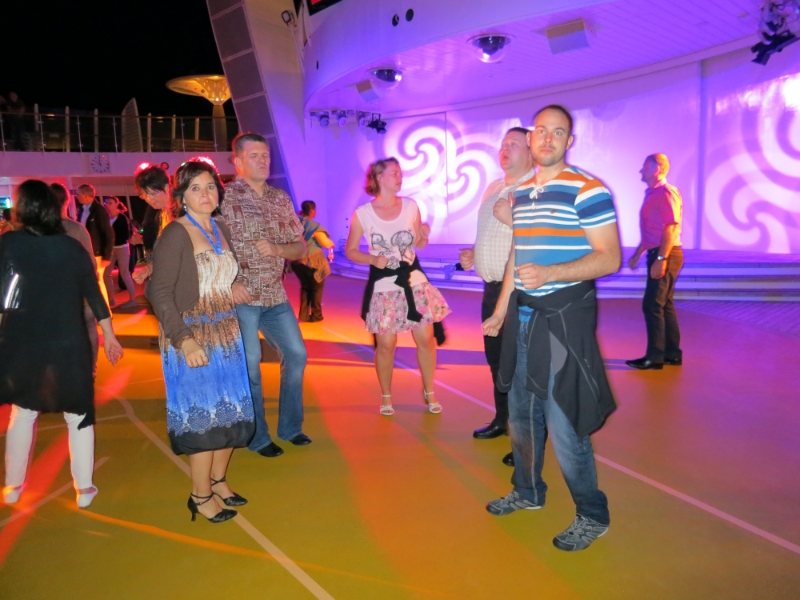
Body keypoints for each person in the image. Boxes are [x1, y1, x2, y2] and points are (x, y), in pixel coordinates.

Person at [483, 105, 620, 552]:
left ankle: (592, 514)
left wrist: (553, 273)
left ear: (569, 141)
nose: (547, 138)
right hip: (523, 318)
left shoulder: (588, 189)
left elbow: (609, 257)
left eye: (558, 132)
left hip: (562, 321)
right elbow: (517, 255)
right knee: (522, 415)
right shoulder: (522, 194)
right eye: (541, 130)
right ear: (532, 137)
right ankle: (527, 491)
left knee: (565, 423)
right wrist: (502, 308)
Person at [1, 180, 123, 508]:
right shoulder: (72, 247)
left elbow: (2, 295)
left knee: (23, 413)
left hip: (23, 338)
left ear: (23, 208)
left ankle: (13, 485)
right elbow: (94, 293)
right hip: (68, 339)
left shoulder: (8, 243)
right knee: (78, 414)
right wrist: (109, 335)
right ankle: (84, 488)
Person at [146, 160, 255, 523]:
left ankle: (218, 481)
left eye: (210, 186)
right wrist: (185, 340)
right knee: (204, 421)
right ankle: (200, 495)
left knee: (232, 414)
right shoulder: (175, 234)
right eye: (195, 188)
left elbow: (219, 274)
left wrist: (233, 286)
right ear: (181, 196)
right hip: (192, 336)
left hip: (226, 334)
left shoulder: (219, 228)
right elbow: (159, 292)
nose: (205, 194)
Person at [222, 132, 310, 458]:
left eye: (266, 155)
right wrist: (229, 283)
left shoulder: (280, 198)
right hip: (242, 296)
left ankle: (290, 427)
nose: (262, 161)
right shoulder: (223, 197)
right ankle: (258, 437)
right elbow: (206, 245)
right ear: (238, 161)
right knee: (250, 366)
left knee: (296, 355)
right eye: (254, 155)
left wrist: (278, 249)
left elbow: (300, 247)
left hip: (274, 294)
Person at [345, 157, 451, 416]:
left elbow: (419, 244)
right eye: (394, 173)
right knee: (386, 344)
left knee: (426, 338)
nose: (400, 177)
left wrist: (423, 233)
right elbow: (350, 250)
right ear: (378, 177)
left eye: (400, 173)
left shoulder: (411, 206)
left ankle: (429, 390)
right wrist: (372, 259)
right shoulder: (363, 214)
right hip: (384, 283)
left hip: (414, 279)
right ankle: (386, 394)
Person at [460, 127, 535, 466]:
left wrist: (513, 219)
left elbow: (539, 239)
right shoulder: (493, 187)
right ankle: (502, 419)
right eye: (503, 145)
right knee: (497, 361)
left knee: (520, 367)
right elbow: (490, 232)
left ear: (530, 152)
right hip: (491, 289)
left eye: (513, 145)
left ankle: (526, 438)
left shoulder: (535, 189)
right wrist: (474, 253)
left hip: (520, 293)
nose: (505, 150)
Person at [626, 154, 684, 370]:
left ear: (657, 169)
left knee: (652, 305)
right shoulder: (652, 193)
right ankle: (671, 354)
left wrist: (661, 258)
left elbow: (671, 227)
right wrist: (638, 253)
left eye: (645, 167)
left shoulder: (666, 192)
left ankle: (655, 357)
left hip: (666, 253)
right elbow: (653, 230)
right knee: (664, 304)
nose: (641, 170)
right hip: (660, 252)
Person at [51, 183, 101, 376]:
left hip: (56, 294)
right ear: (66, 202)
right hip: (81, 290)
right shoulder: (78, 229)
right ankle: (90, 368)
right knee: (89, 327)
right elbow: (90, 263)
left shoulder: (41, 232)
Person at [291, 200, 335, 322]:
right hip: (312, 261)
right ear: (312, 211)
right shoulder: (313, 225)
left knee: (305, 287)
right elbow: (325, 243)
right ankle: (316, 315)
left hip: (297, 261)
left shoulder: (295, 222)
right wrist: (331, 243)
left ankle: (304, 315)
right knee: (316, 287)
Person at [133, 164, 175, 284]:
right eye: (145, 195)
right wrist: (148, 269)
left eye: (153, 193)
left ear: (166, 187)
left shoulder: (182, 213)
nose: (149, 199)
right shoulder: (160, 216)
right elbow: (166, 252)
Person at [75, 184, 113, 302]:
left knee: (98, 281)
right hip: (86, 251)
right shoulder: (82, 209)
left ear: (86, 195)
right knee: (91, 281)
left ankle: (105, 309)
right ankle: (97, 309)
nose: (77, 196)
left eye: (78, 194)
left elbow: (108, 233)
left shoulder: (99, 210)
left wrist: (107, 256)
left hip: (97, 252)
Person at [102, 197, 138, 308]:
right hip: (111, 249)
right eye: (106, 203)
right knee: (106, 274)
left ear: (116, 204)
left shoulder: (122, 218)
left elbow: (125, 235)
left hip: (122, 247)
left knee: (124, 273)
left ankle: (133, 298)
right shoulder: (106, 218)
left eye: (110, 203)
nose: (108, 205)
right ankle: (111, 298)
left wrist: (112, 244)